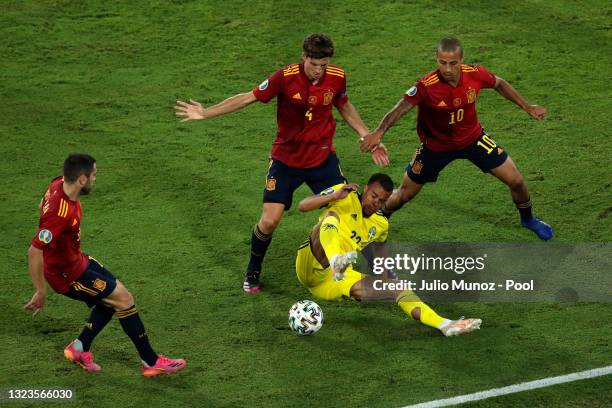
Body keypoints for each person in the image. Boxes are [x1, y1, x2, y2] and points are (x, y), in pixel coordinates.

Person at [175, 33, 388, 293]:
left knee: (347, 206)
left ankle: (342, 265)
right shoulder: (285, 78)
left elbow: (343, 105)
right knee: (270, 220)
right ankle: (253, 270)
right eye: (314, 65)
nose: (319, 71)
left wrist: (367, 135)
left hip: (322, 159)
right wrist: (205, 112)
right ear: (303, 57)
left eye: (324, 65)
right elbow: (247, 98)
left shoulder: (337, 76)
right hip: (285, 161)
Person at [359, 37, 553, 241]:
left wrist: (526, 106)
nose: (448, 69)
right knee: (405, 194)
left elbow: (499, 83)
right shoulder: (426, 85)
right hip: (435, 148)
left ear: (461, 60)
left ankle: (528, 219)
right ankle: (380, 217)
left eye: (453, 63)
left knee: (516, 180)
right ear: (437, 59)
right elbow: (401, 107)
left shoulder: (475, 74)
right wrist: (379, 131)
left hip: (473, 139)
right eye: (442, 62)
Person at [24, 153, 186, 377]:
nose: (95, 179)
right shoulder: (60, 215)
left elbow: (42, 203)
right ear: (81, 179)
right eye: (93, 175)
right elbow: (34, 250)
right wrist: (40, 290)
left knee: (112, 298)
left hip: (77, 260)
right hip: (67, 275)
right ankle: (151, 361)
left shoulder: (57, 183)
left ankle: (79, 348)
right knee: (124, 299)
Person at [295, 173, 481, 336]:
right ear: (366, 189)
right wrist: (335, 195)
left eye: (382, 201)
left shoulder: (380, 225)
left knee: (398, 288)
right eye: (374, 196)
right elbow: (303, 206)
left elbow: (380, 264)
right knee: (330, 218)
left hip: (334, 282)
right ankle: (336, 260)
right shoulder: (344, 195)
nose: (376, 203)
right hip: (311, 262)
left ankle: (444, 325)